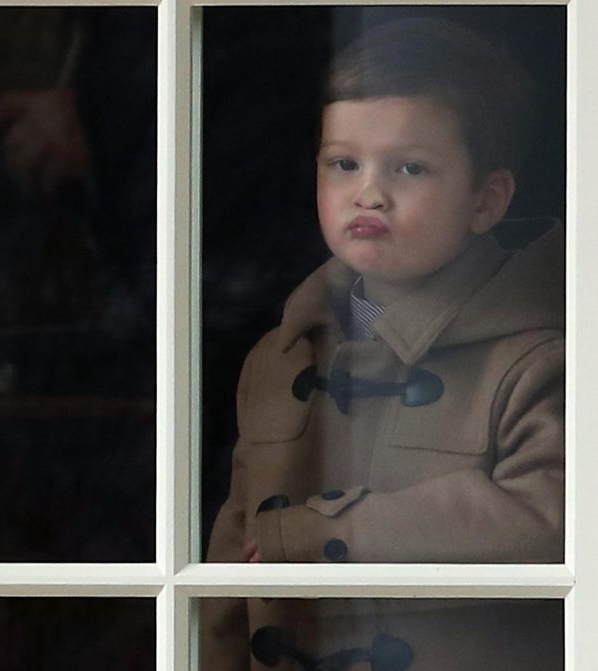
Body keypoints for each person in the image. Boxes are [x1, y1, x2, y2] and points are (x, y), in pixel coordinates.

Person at [202, 17, 564, 671]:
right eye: (344, 163)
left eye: (409, 166)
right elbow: (229, 573)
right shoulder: (277, 360)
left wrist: (328, 534)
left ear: (486, 200)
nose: (369, 192)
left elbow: (554, 520)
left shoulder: (543, 359)